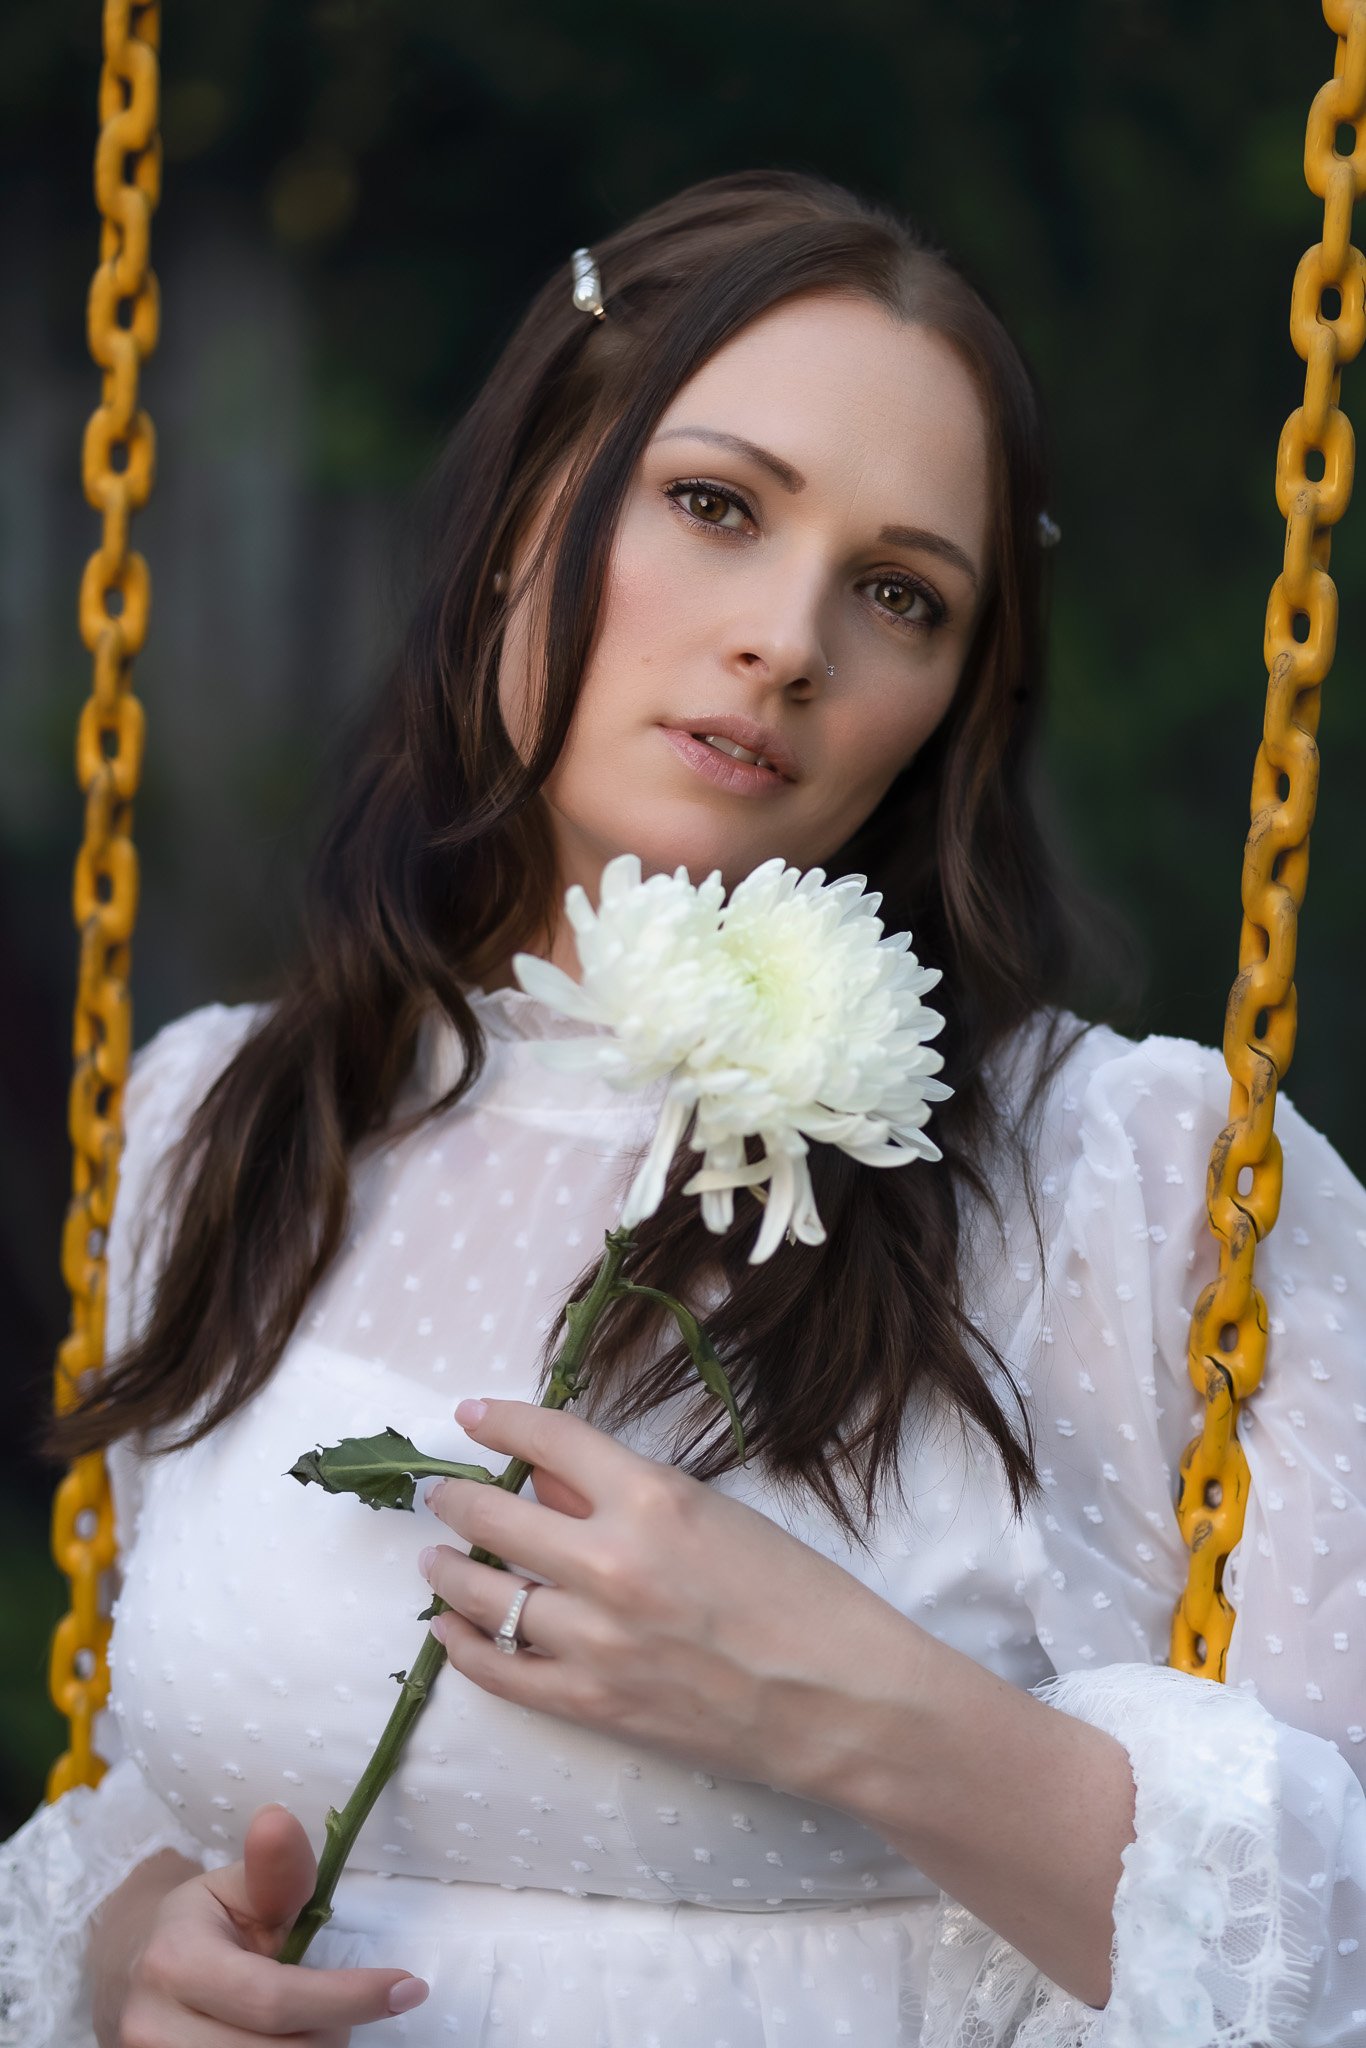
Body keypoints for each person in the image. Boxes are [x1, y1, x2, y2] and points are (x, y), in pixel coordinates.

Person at [4, 167, 1364, 2048]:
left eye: (900, 592)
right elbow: (158, 1807)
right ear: (516, 522)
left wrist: (843, 1699)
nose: (789, 640)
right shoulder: (223, 1116)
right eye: (713, 506)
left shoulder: (1135, 1178)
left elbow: (1330, 1934)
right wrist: (137, 1959)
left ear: (953, 695)